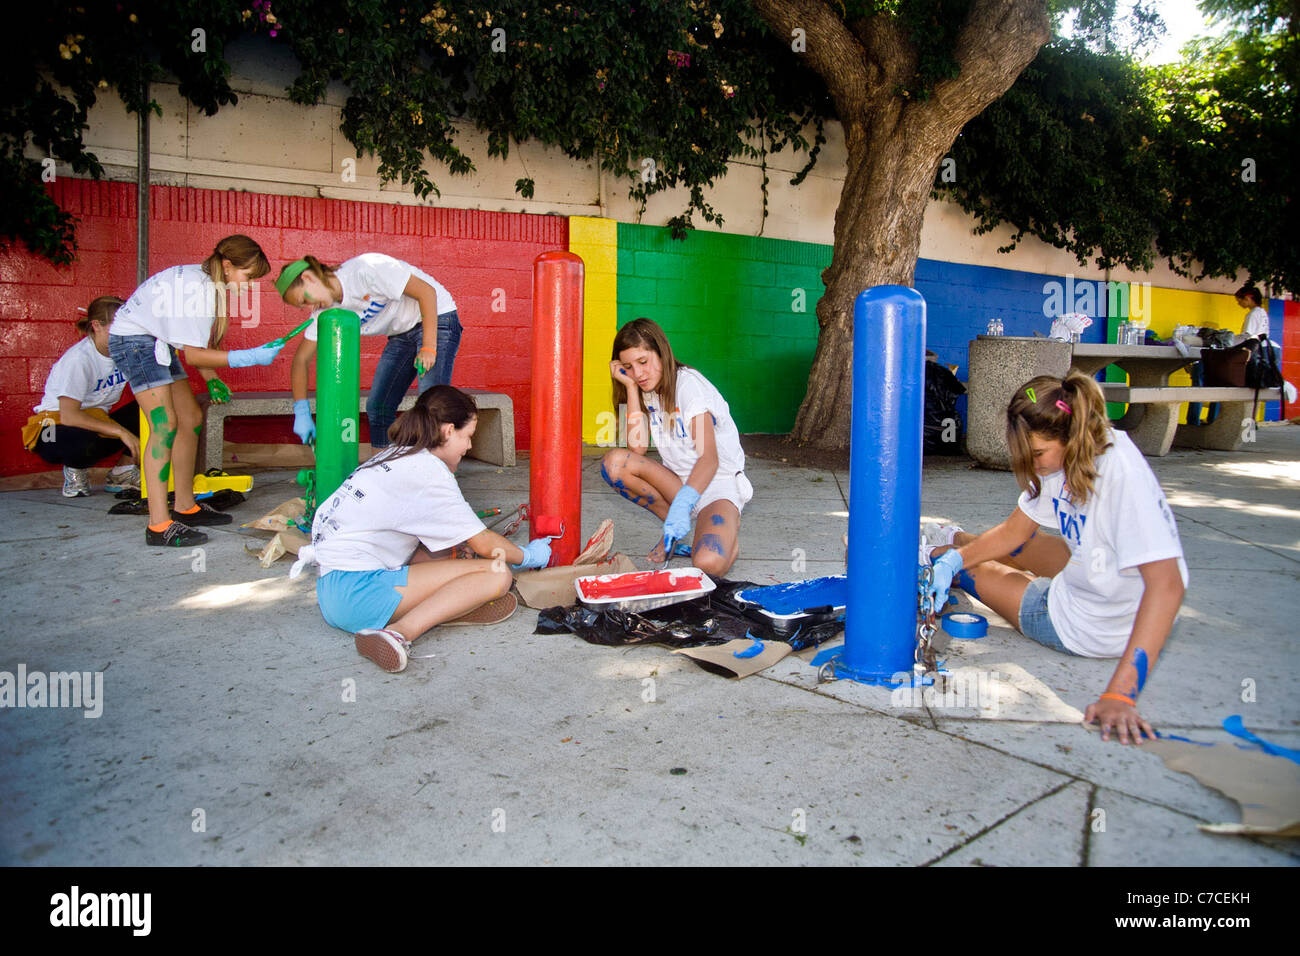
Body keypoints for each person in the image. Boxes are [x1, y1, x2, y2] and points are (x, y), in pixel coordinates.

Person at [923, 372, 1187, 745]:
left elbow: (1168, 586)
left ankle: (937, 554)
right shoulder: (1079, 445)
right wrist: (960, 555)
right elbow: (1015, 532)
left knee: (977, 569)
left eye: (1037, 455)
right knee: (1018, 543)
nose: (1034, 466)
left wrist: (1120, 695)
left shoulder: (1122, 475)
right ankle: (954, 543)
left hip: (1083, 625)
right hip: (1100, 578)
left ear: (1067, 435)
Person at [289, 385, 552, 673]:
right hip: (359, 595)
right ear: (449, 431)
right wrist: (529, 556)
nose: (469, 447)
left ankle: (444, 607)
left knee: (451, 553)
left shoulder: (395, 455)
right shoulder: (429, 471)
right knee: (497, 573)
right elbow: (485, 544)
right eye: (468, 437)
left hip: (331, 594)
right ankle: (398, 632)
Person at [108, 235, 283, 547]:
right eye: (248, 276)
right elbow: (193, 355)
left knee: (189, 417)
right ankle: (159, 525)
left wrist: (211, 377)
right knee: (164, 425)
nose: (249, 284)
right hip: (136, 343)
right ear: (228, 266)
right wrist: (248, 357)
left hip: (156, 343)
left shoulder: (205, 281)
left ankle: (185, 506)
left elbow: (190, 345)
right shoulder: (200, 290)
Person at [600, 317, 751, 576]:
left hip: (717, 485)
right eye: (628, 367)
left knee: (708, 562)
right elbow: (635, 450)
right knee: (615, 463)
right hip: (678, 482)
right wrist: (630, 389)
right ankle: (674, 528)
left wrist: (684, 504)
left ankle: (722, 534)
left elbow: (709, 459)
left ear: (661, 352)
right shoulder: (643, 388)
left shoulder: (688, 385)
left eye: (643, 362)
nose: (638, 373)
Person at [275, 253, 461, 451]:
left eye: (304, 300)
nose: (309, 307)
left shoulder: (366, 269)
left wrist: (428, 347)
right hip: (401, 332)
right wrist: (301, 411)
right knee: (378, 407)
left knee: (432, 405)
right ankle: (382, 468)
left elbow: (427, 292)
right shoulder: (325, 311)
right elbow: (301, 360)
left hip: (437, 317)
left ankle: (438, 469)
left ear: (309, 278)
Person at [22, 296, 140, 497]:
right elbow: (69, 416)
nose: (125, 333)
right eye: (119, 326)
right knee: (82, 441)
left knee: (150, 408)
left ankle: (122, 472)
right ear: (97, 326)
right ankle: (75, 469)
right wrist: (122, 432)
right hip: (52, 429)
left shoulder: (125, 353)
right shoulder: (79, 359)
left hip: (93, 420)